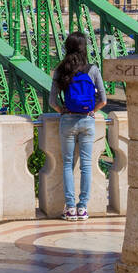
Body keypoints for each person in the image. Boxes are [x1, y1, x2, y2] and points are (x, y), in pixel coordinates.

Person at [49, 31, 106, 221]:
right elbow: (103, 100)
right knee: (86, 165)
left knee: (67, 164)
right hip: (88, 121)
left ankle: (70, 208)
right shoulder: (93, 69)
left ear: (67, 47)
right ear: (85, 48)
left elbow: (52, 101)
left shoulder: (61, 69)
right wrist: (91, 111)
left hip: (68, 121)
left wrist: (63, 111)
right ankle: (83, 208)